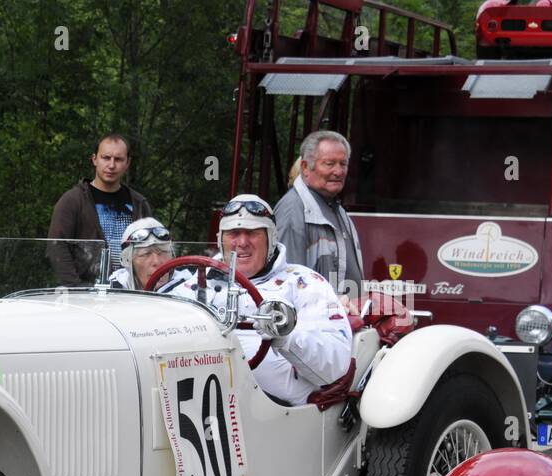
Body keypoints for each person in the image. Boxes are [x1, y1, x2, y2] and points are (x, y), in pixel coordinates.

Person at [161, 194, 352, 406]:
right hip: (198, 404)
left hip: (280, 414)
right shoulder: (193, 287)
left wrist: (286, 336)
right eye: (233, 233)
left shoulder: (304, 284)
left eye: (252, 233)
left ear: (271, 238)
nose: (242, 243)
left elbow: (335, 368)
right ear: (220, 239)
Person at [47, 133, 152, 285]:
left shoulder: (139, 204)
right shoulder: (72, 201)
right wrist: (75, 289)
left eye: (118, 159)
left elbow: (151, 249)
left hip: (129, 295)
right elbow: (56, 247)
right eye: (106, 157)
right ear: (95, 159)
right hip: (85, 294)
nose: (111, 165)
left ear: (127, 163)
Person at [274, 130, 363, 295]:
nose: (338, 171)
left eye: (343, 164)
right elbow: (287, 285)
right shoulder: (293, 210)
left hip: (339, 318)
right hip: (313, 320)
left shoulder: (334, 207)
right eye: (329, 163)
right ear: (305, 167)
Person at [109, 217, 175, 290]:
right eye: (146, 254)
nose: (157, 262)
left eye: (163, 251)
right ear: (128, 261)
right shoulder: (110, 293)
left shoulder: (187, 291)